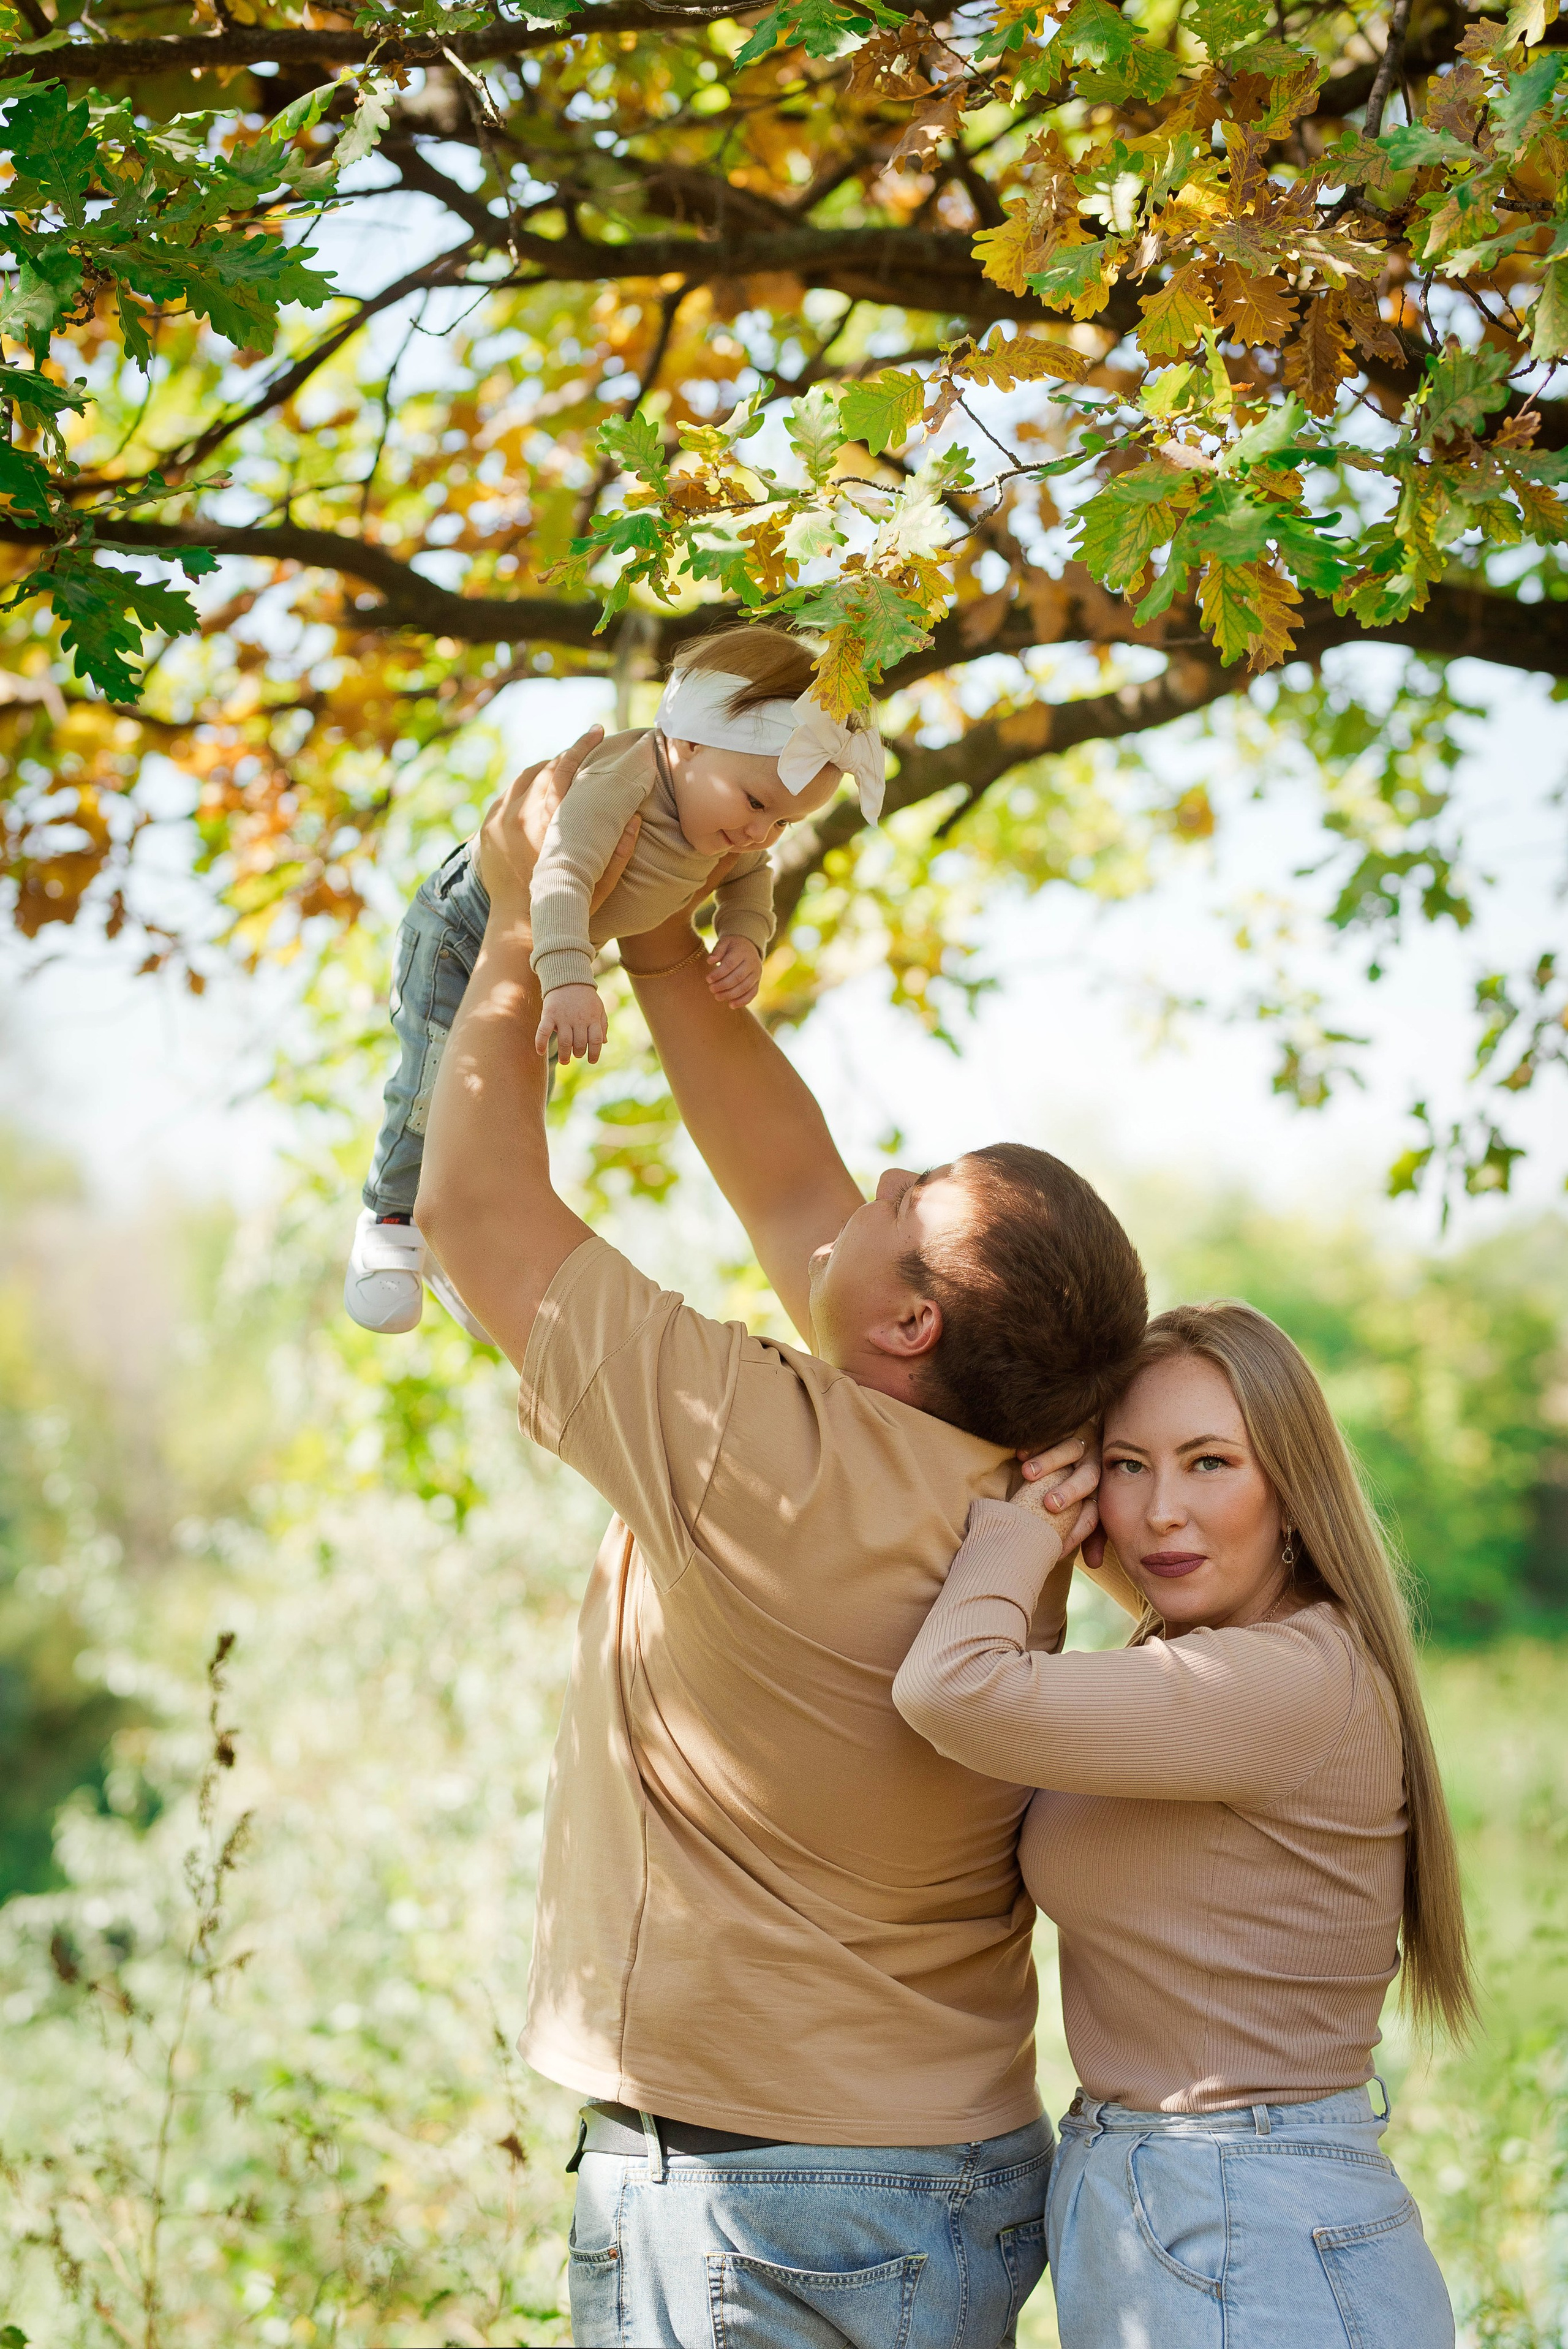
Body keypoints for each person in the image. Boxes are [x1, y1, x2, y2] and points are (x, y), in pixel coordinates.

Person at [411, 728, 1149, 2349]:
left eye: (910, 1194)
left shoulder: (760, 1455)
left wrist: (517, 919)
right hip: (957, 2165)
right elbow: (796, 1181)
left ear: (909, 1322)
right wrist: (656, 921)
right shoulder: (1013, 1467)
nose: (872, 1175)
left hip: (755, 2199)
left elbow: (473, 1214)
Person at [894, 1300, 1475, 2349]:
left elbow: (952, 1687)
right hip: (1189, 2207)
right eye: (1128, 1465)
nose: (1163, 1511)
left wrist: (1024, 1524)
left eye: (1211, 1462)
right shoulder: (1222, 1659)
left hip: (1251, 2217)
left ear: (1290, 1486)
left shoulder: (1282, 1681)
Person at [344, 624, 880, 1337]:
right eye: (756, 804)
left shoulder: (731, 825)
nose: (761, 833)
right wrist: (570, 978)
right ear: (688, 743)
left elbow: (751, 879)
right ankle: (387, 1219)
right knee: (433, 1078)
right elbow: (558, 870)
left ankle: (457, 1242)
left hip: (555, 947)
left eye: (785, 821)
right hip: (465, 928)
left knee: (516, 1095)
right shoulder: (625, 783)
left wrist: (744, 936)